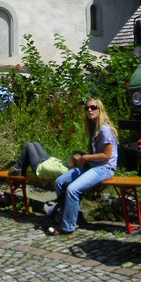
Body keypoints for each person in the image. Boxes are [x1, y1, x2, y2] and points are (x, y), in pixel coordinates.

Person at [53, 98, 118, 235]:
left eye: (93, 107)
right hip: (93, 166)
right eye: (87, 108)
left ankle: (68, 226)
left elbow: (106, 155)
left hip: (104, 168)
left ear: (100, 109)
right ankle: (65, 215)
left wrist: (86, 158)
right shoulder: (94, 128)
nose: (89, 110)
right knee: (59, 182)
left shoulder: (105, 129)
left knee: (72, 190)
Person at [9, 142, 84, 179]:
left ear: (73, 164)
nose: (68, 157)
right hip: (46, 161)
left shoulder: (63, 171)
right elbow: (57, 160)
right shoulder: (68, 165)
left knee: (28, 145)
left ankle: (18, 169)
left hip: (39, 168)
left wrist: (51, 160)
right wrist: (52, 160)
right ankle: (22, 170)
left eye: (70, 157)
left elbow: (46, 168)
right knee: (35, 143)